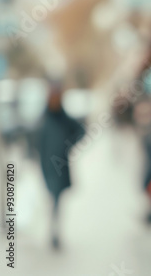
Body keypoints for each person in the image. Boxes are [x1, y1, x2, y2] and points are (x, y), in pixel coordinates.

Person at [38, 87, 85, 249]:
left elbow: (80, 131)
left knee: (56, 198)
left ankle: (54, 232)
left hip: (60, 165)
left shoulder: (63, 118)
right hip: (47, 165)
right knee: (53, 197)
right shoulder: (44, 118)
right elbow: (38, 142)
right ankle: (54, 231)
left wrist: (68, 146)